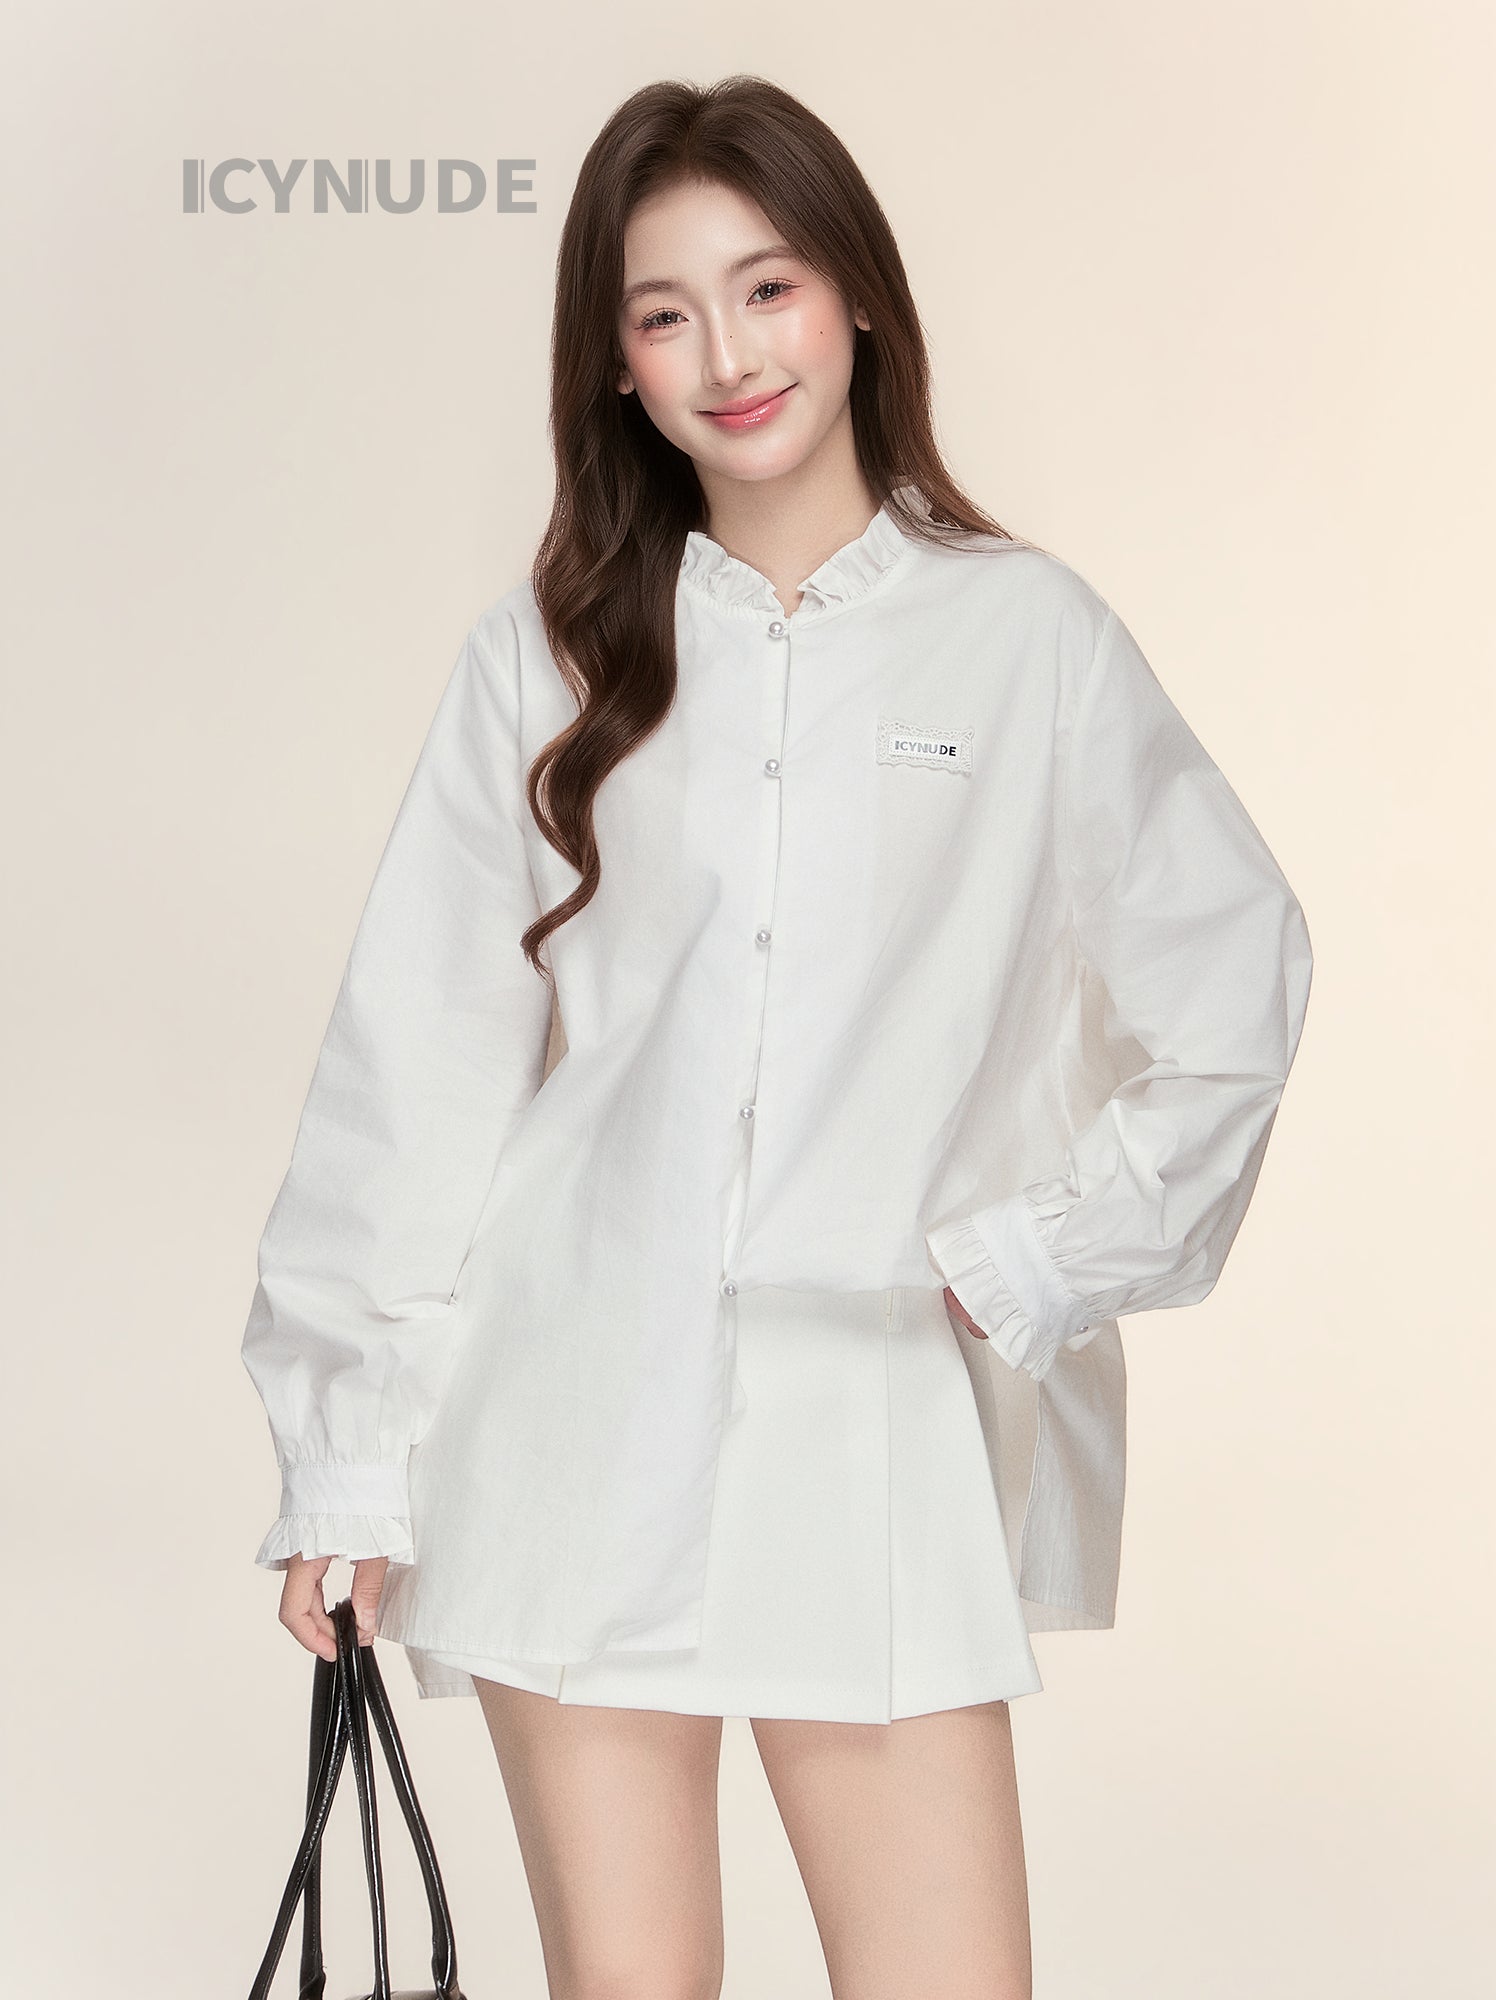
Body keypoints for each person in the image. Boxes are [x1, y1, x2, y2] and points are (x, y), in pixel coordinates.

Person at [240, 74, 1313, 2000]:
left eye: (770, 288)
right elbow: (418, 1062)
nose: (728, 356)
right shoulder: (549, 652)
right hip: (566, 1421)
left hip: (868, 1418)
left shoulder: (1026, 637)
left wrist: (1043, 1256)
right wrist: (348, 1457)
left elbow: (1234, 981)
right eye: (664, 313)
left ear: (859, 300)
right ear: (616, 365)